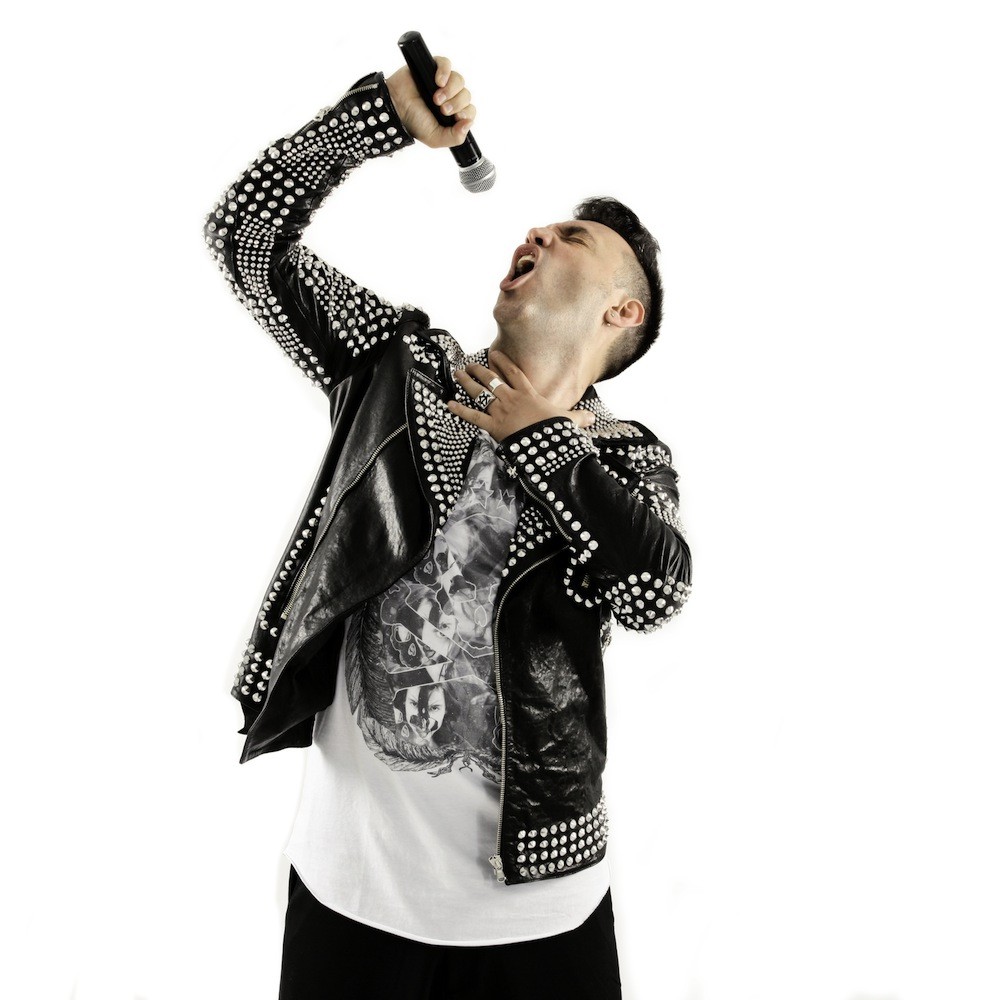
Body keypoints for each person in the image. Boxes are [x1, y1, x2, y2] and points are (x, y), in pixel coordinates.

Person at [203, 52, 693, 1000]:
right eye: (543, 225)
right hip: (347, 893)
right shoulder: (400, 369)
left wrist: (541, 440)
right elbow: (244, 234)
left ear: (621, 310)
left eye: (574, 238)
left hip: (539, 917)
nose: (538, 232)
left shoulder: (625, 460)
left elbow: (655, 588)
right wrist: (377, 120)